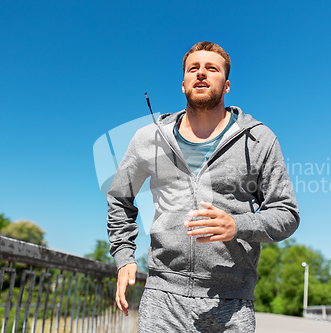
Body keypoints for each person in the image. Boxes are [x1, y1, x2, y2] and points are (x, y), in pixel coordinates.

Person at [107, 41, 299, 332]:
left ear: (227, 85)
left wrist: (238, 225)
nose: (201, 74)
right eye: (193, 69)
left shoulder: (259, 139)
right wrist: (124, 256)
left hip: (230, 301)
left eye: (212, 68)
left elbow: (286, 213)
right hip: (162, 297)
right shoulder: (148, 138)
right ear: (183, 84)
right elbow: (120, 198)